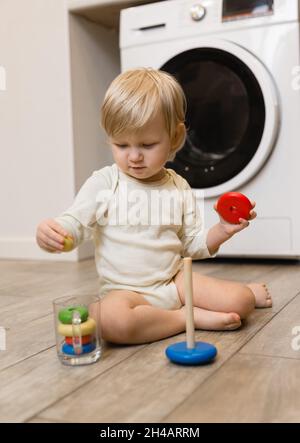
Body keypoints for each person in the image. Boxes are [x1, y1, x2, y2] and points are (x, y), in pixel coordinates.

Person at [36, 68, 272, 345]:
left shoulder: (179, 187)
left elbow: (191, 245)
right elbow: (75, 223)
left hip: (174, 283)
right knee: (109, 320)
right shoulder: (105, 182)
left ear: (175, 137)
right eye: (121, 144)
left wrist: (223, 229)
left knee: (241, 302)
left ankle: (240, 294)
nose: (134, 156)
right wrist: (53, 233)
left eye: (147, 144)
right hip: (125, 293)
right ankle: (188, 318)